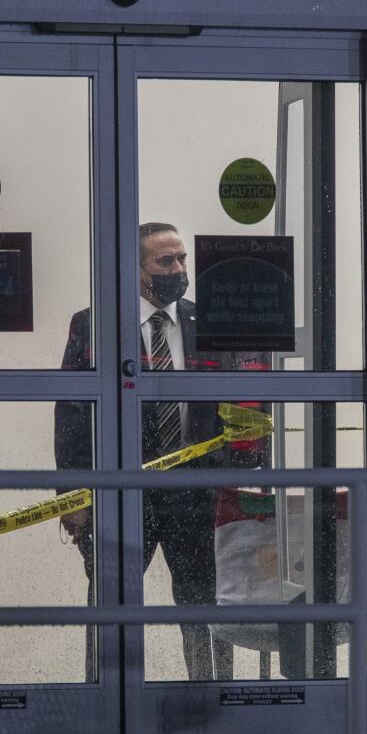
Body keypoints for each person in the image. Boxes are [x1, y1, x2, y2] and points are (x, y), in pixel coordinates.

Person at [54, 222, 234, 681]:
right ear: (135, 270)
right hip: (121, 494)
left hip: (196, 493)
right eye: (165, 261)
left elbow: (236, 404)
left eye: (182, 259)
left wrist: (241, 482)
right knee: (110, 604)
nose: (179, 269)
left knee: (203, 606)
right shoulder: (95, 324)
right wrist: (73, 497)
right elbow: (73, 417)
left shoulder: (208, 321)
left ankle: (210, 694)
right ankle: (108, 695)